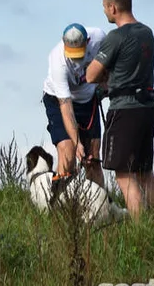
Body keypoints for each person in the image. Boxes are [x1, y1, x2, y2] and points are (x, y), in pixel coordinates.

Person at [85, 0, 154, 220]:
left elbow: (91, 75)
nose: (105, 13)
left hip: (125, 110)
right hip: (148, 107)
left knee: (124, 175)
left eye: (105, 8)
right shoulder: (147, 33)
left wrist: (103, 77)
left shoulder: (116, 37)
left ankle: (140, 229)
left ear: (113, 7)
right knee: (145, 173)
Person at [41, 22, 106, 186]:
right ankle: (60, 204)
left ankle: (99, 203)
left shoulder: (99, 37)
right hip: (59, 101)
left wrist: (105, 86)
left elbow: (110, 62)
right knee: (68, 151)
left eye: (79, 53)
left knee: (93, 158)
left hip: (88, 99)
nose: (76, 59)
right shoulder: (57, 61)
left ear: (87, 41)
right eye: (72, 54)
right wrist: (77, 142)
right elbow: (65, 106)